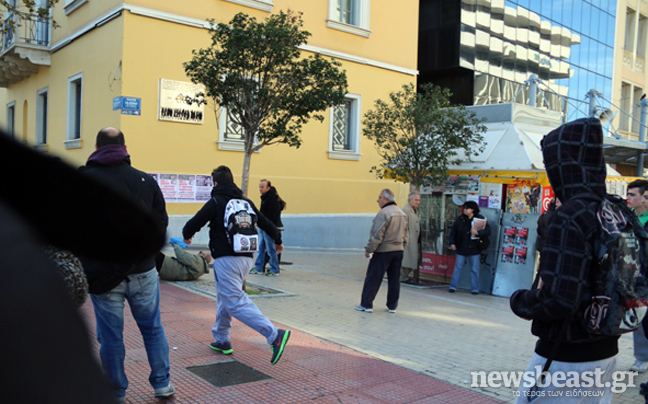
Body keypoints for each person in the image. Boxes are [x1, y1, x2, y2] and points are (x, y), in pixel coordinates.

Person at [510, 118, 618, 402]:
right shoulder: (613, 210)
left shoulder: (570, 215)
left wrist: (520, 300)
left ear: (562, 164)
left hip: (564, 355)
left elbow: (559, 299)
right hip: (607, 351)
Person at [80, 127, 174, 403]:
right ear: (124, 148)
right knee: (153, 328)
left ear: (97, 147)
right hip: (143, 271)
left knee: (110, 336)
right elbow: (160, 224)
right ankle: (162, 384)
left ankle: (117, 393)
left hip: (104, 274)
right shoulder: (145, 180)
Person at [182, 165, 291, 365]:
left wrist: (187, 236)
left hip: (226, 258)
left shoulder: (216, 202)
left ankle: (274, 335)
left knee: (233, 300)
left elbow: (193, 223)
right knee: (226, 296)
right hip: (247, 257)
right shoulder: (246, 202)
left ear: (215, 183)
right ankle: (222, 339)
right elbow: (266, 223)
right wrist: (278, 240)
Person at [355, 189, 408, 313]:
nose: (377, 200)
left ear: (387, 199)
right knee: (394, 279)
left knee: (373, 278)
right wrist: (402, 247)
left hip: (384, 251)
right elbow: (406, 235)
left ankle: (366, 304)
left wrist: (369, 249)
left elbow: (377, 234)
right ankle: (392, 306)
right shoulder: (402, 214)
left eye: (380, 197)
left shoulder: (383, 213)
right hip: (398, 251)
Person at [626, 179, 648, 373]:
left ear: (644, 197)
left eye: (633, 194)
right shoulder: (625, 217)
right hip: (629, 276)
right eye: (628, 194)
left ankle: (643, 357)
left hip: (646, 277)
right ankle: (641, 356)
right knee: (634, 316)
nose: (628, 198)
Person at [448, 200, 490, 294]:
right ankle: (453, 286)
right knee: (458, 267)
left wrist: (478, 233)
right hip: (462, 247)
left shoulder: (480, 219)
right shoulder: (461, 219)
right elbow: (453, 231)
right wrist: (452, 243)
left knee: (474, 269)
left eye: (467, 208)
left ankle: (475, 289)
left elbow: (488, 231)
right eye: (465, 208)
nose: (465, 210)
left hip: (475, 248)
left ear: (473, 209)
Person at [250, 179, 285, 276]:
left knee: (271, 249)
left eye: (262, 187)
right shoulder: (265, 198)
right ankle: (259, 268)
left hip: (269, 228)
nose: (260, 189)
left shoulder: (272, 199)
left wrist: (271, 228)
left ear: (268, 188)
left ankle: (274, 269)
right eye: (259, 187)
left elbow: (272, 216)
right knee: (261, 248)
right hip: (263, 227)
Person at [401, 192, 422, 285]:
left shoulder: (414, 210)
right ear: (410, 200)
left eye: (419, 200)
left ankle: (404, 276)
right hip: (408, 240)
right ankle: (402, 277)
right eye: (416, 200)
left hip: (414, 239)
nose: (418, 202)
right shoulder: (406, 210)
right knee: (407, 259)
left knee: (412, 258)